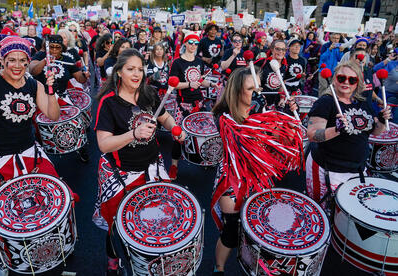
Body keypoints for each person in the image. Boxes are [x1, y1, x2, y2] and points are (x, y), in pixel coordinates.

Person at [0, 37, 60, 270]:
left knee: (51, 195)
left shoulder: (33, 84)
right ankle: (6, 256)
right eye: (11, 60)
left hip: (29, 151)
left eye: (22, 60)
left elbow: (53, 115)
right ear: (3, 61)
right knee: (2, 213)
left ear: (28, 62)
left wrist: (50, 90)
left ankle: (43, 245)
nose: (17, 65)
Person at [93, 48, 185, 276]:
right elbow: (104, 145)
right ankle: (113, 261)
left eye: (140, 69)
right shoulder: (108, 102)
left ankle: (148, 262)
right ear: (119, 73)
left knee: (155, 219)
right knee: (117, 225)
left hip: (152, 166)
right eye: (130, 69)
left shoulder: (149, 94)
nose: (136, 74)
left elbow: (164, 117)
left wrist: (175, 129)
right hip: (121, 172)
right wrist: (134, 134)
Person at [210, 67, 303, 276]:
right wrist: (271, 119)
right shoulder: (223, 116)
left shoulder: (261, 111)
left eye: (258, 88)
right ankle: (219, 268)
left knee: (259, 227)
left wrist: (287, 119)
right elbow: (245, 139)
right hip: (232, 179)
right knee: (231, 231)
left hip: (259, 177)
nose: (257, 93)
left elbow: (277, 143)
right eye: (250, 89)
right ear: (237, 91)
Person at [305, 61, 392, 206]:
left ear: (358, 83)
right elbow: (312, 134)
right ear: (334, 79)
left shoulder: (362, 101)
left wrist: (382, 121)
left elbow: (375, 130)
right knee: (322, 210)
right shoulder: (326, 102)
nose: (346, 82)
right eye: (341, 78)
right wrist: (337, 129)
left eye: (352, 80)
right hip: (329, 170)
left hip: (357, 169)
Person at [168, 29, 219, 179]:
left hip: (200, 102)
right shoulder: (177, 62)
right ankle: (174, 166)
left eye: (196, 43)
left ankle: (207, 159)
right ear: (185, 44)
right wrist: (189, 84)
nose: (194, 45)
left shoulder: (198, 61)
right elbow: (173, 84)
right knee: (178, 136)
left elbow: (201, 80)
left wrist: (211, 85)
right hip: (183, 104)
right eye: (191, 42)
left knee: (206, 133)